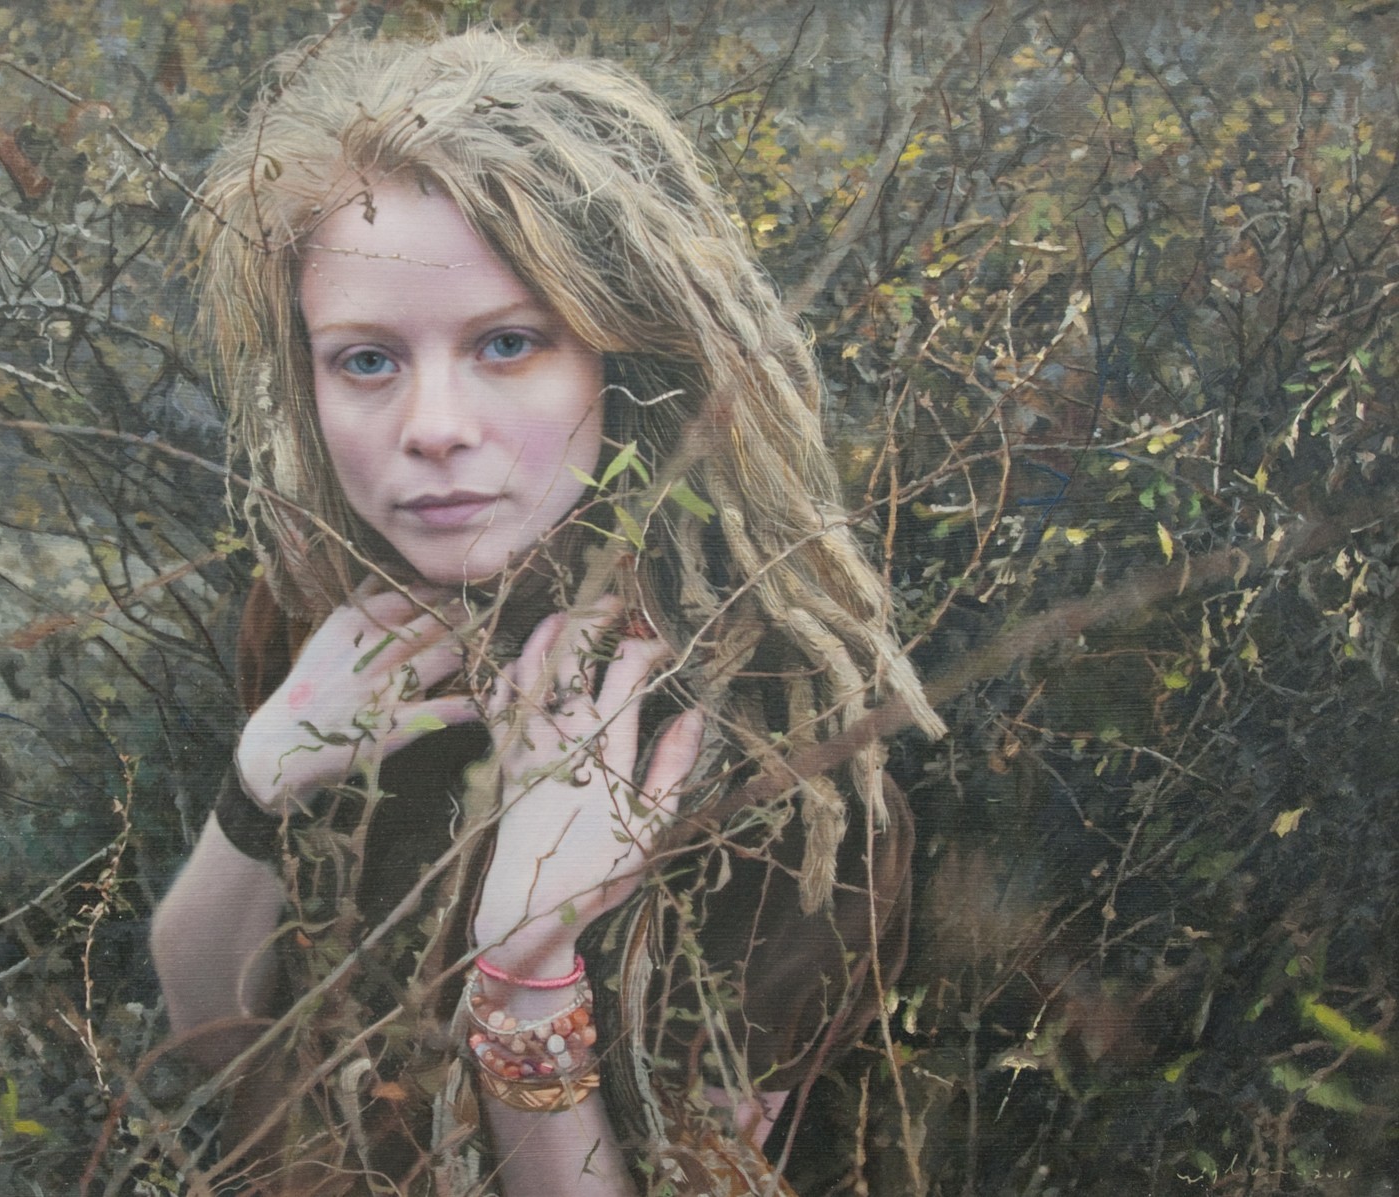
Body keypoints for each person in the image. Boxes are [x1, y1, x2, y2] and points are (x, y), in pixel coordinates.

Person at [150, 28, 945, 1196]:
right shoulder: (333, 619)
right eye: (365, 360)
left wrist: (527, 974)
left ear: (624, 358)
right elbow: (215, 1060)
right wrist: (261, 783)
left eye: (508, 344)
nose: (432, 427)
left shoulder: (770, 750)